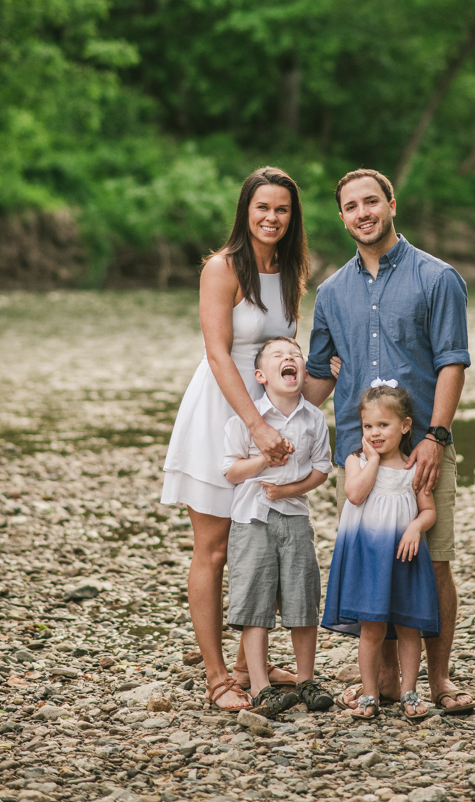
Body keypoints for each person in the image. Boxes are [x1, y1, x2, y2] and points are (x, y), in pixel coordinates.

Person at [305, 168, 475, 714]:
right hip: (360, 457)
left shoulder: (437, 278)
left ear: (392, 204)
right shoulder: (331, 292)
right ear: (342, 218)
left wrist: (435, 436)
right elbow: (316, 378)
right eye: (351, 206)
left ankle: (441, 681)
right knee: (374, 567)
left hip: (423, 449)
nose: (362, 213)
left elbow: (452, 362)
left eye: (371, 202)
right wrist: (255, 378)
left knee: (435, 564)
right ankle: (381, 684)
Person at [160, 167, 310, 712]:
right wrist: (256, 426)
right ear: (245, 211)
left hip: (270, 417)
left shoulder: (290, 272)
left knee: (263, 542)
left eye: (283, 210)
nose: (272, 218)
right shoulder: (222, 269)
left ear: (293, 218)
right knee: (215, 546)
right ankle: (218, 677)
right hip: (223, 414)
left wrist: (312, 393)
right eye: (262, 208)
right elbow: (220, 353)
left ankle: (256, 662)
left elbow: (282, 356)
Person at [223, 336, 334, 718]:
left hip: (296, 518)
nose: (289, 358)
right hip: (251, 519)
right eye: (277, 356)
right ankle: (260, 686)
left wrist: (288, 488)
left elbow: (322, 469)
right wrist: (263, 461)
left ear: (302, 372)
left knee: (302, 596)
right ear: (261, 375)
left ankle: (306, 679)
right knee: (255, 601)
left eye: (295, 355)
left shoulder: (314, 418)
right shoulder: (246, 418)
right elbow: (229, 471)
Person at [322, 382, 439, 720]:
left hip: (404, 556)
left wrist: (416, 527)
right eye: (367, 426)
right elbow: (355, 495)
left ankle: (410, 692)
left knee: (408, 625)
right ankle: (370, 693)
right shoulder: (356, 460)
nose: (374, 433)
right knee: (371, 626)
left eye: (383, 425)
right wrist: (372, 459)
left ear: (404, 426)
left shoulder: (414, 469)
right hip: (369, 558)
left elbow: (428, 510)